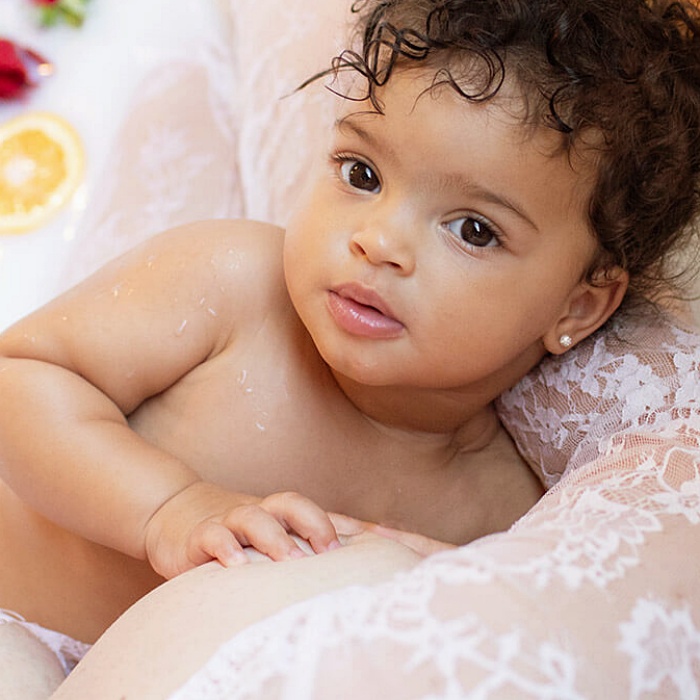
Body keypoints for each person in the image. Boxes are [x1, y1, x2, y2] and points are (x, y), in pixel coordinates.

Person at [2, 0, 700, 696]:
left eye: (473, 230)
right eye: (361, 174)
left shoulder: (500, 517)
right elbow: (21, 377)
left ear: (577, 306)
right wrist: (169, 508)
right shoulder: (234, 287)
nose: (380, 241)